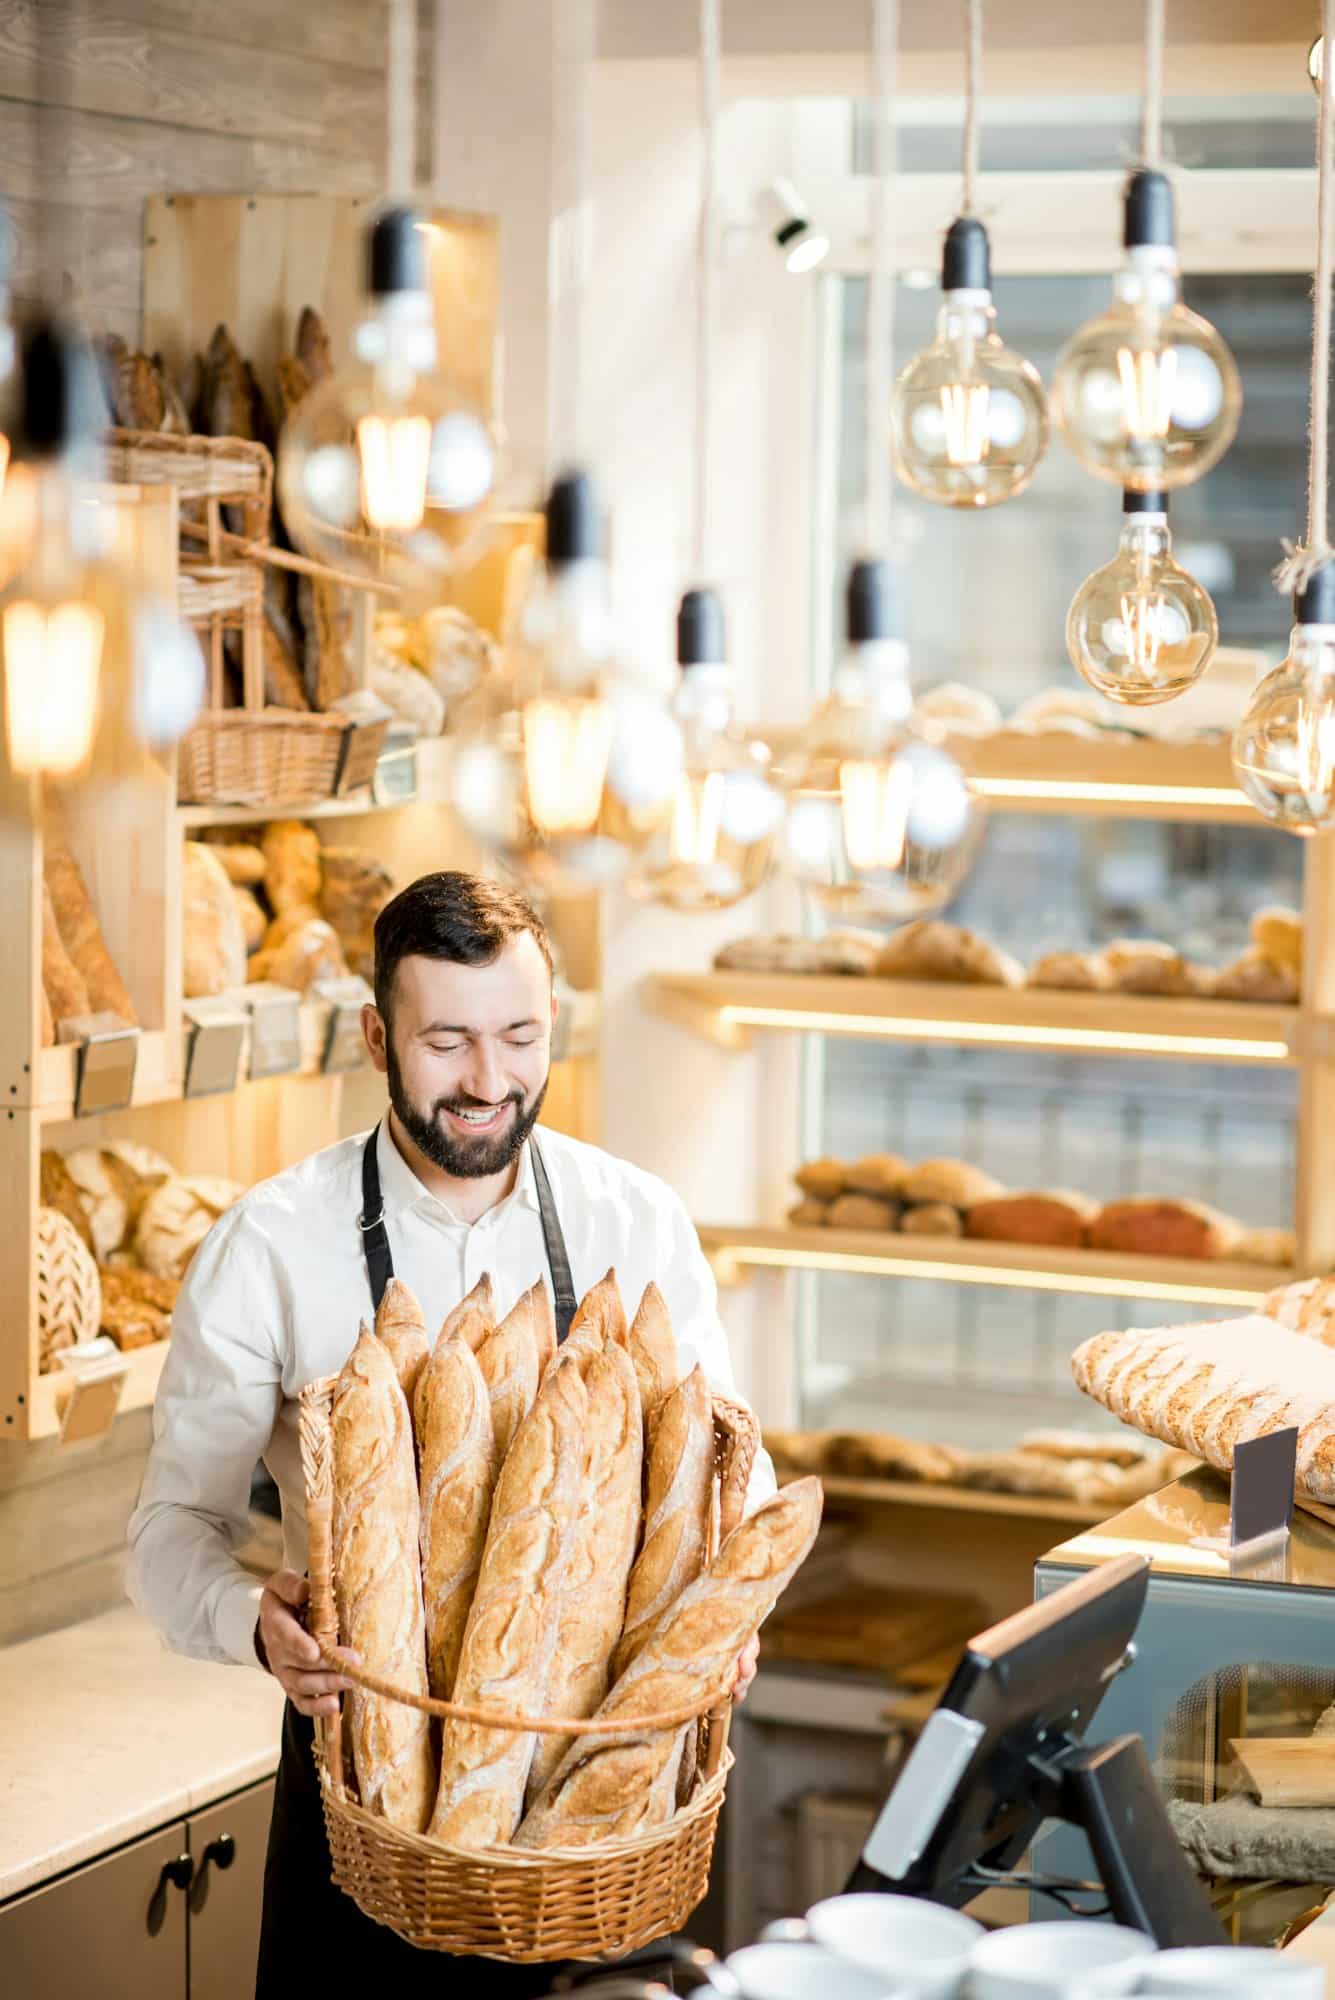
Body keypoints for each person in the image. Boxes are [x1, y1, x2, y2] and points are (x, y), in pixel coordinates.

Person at [127, 870, 775, 1997]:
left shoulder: (638, 1220)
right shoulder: (273, 1243)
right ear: (377, 1034)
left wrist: (730, 1609)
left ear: (553, 1024)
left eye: (519, 1036)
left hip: (600, 1785)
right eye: (448, 1042)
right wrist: (251, 1620)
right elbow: (170, 1526)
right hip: (368, 1782)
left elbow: (732, 1472)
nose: (488, 1080)